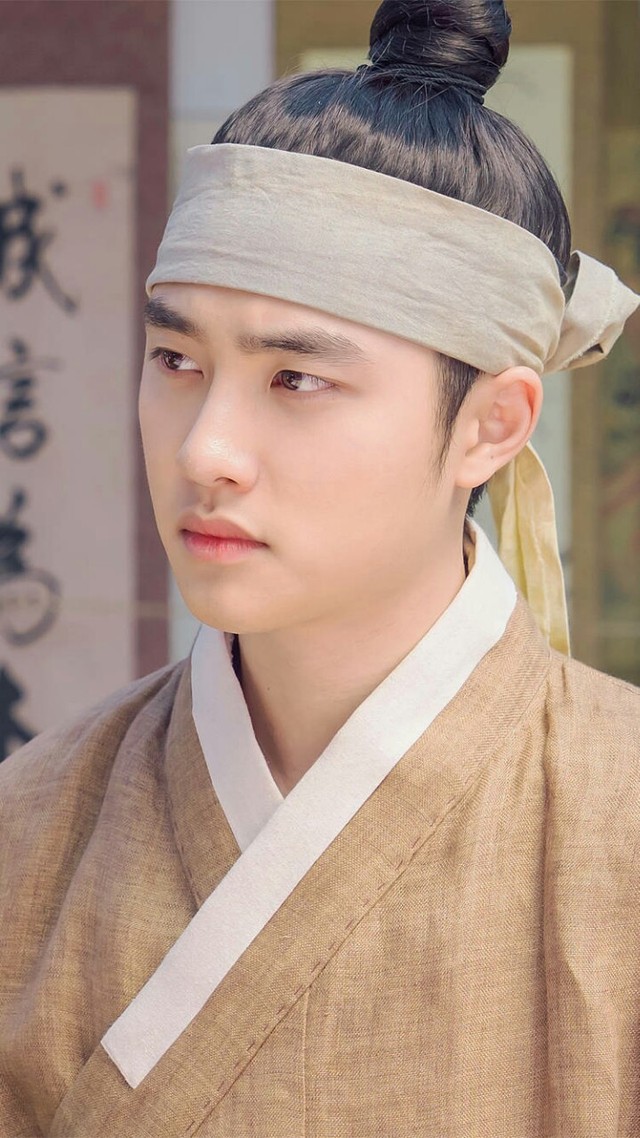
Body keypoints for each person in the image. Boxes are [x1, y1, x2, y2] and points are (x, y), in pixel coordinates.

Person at [1, 1, 639, 1134]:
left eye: (296, 378)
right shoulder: (30, 821)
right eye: (175, 358)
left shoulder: (617, 813)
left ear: (490, 424)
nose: (205, 450)